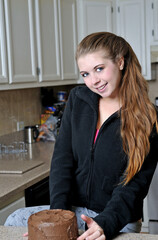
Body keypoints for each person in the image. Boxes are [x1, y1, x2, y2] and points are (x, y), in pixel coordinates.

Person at [5, 32, 158, 240]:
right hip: (75, 211)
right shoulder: (78, 100)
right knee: (14, 221)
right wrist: (57, 218)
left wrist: (106, 222)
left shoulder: (148, 118)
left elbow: (134, 185)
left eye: (99, 69)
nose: (93, 81)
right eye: (85, 74)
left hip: (116, 219)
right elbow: (62, 160)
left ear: (120, 62)